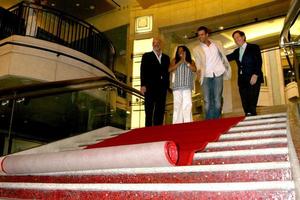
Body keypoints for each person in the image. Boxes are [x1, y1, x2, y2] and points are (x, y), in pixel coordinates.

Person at [193, 26, 231, 120]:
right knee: (207, 100)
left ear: (207, 34)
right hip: (206, 75)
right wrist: (198, 75)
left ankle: (217, 120)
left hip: (218, 73)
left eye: (202, 34)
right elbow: (198, 64)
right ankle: (209, 122)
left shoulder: (217, 43)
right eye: (199, 35)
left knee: (217, 100)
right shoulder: (196, 49)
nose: (200, 37)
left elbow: (225, 54)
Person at [227, 30, 263, 116]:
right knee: (244, 100)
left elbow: (259, 62)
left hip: (253, 77)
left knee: (252, 100)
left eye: (238, 37)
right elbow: (226, 58)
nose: (236, 40)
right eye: (235, 39)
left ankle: (253, 116)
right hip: (242, 80)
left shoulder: (254, 47)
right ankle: (247, 115)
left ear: (243, 37)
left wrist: (255, 74)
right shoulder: (236, 52)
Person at [140, 37, 170, 127]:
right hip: (150, 87)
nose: (156, 44)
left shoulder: (166, 58)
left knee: (160, 110)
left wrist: (167, 86)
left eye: (158, 43)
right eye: (154, 43)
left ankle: (158, 130)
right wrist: (143, 85)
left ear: (161, 44)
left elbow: (167, 72)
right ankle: (148, 131)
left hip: (162, 88)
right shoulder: (146, 56)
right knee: (149, 110)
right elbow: (143, 71)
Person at [169, 45, 196, 124]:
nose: (180, 52)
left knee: (187, 105)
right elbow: (170, 69)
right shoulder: (174, 60)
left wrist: (186, 62)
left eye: (182, 51)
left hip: (187, 86)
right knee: (177, 106)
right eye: (179, 51)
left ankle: (188, 123)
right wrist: (180, 62)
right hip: (177, 87)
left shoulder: (191, 61)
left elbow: (194, 69)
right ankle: (177, 124)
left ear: (186, 52)